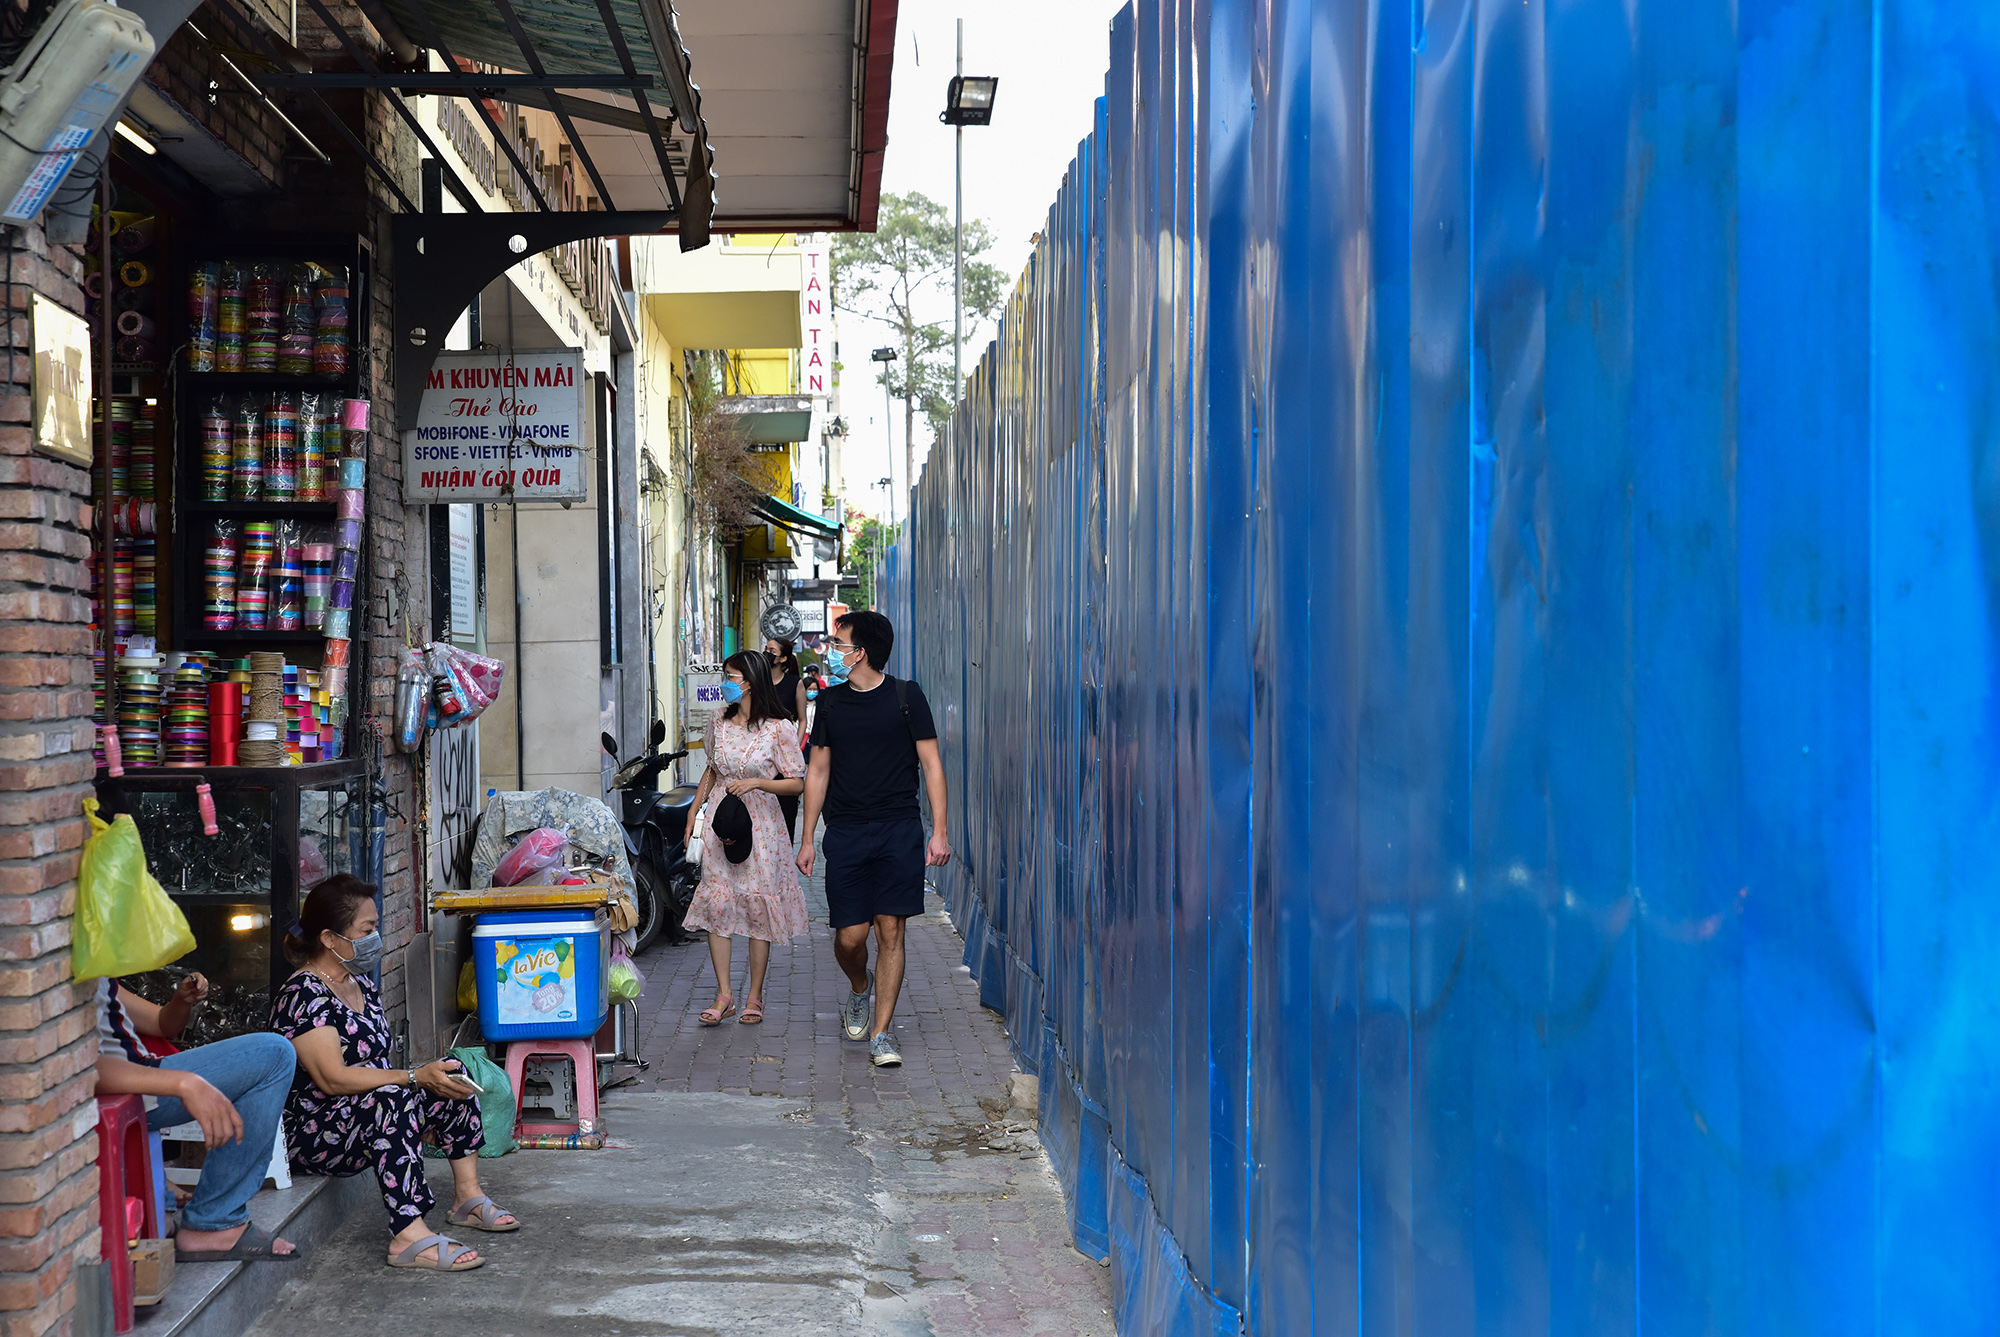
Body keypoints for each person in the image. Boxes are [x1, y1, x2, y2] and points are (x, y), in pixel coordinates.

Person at [271, 875, 518, 1272]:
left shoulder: (359, 984)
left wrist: (425, 1083)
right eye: (367, 930)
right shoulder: (304, 995)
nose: (376, 937)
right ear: (331, 939)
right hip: (312, 1132)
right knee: (396, 1094)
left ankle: (467, 1198)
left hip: (360, 1114)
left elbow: (382, 1068)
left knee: (450, 1074)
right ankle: (408, 1235)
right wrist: (412, 1079)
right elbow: (333, 1079)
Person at [796, 610, 953, 1068]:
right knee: (850, 936)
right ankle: (860, 986)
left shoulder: (907, 696)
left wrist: (938, 832)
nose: (834, 653)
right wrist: (806, 838)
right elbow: (817, 771)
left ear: (860, 652)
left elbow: (932, 765)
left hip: (898, 829)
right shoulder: (830, 704)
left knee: (891, 929)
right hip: (844, 831)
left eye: (839, 645)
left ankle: (882, 1033)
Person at [94, 969, 303, 1262]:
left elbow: (160, 1024)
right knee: (275, 1054)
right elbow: (78, 1066)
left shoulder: (94, 974)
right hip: (129, 1089)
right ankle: (216, 1220)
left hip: (145, 1076)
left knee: (274, 1053)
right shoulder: (57, 971)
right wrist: (184, 1083)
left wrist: (181, 1001)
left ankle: (190, 1214)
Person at [683, 650, 809, 1025]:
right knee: (717, 906)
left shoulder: (778, 728)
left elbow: (797, 783)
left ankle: (754, 996)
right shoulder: (716, 722)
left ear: (750, 681)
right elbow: (710, 769)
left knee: (757, 909)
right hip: (722, 823)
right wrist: (695, 809)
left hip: (762, 827)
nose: (724, 682)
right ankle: (725, 994)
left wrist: (758, 782)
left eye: (730, 676)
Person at [764, 636, 809, 839]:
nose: (766, 654)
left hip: (784, 754)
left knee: (786, 810)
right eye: (765, 649)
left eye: (772, 651)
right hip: (760, 752)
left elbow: (802, 719)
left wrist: (795, 749)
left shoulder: (794, 683)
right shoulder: (758, 682)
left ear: (783, 658)